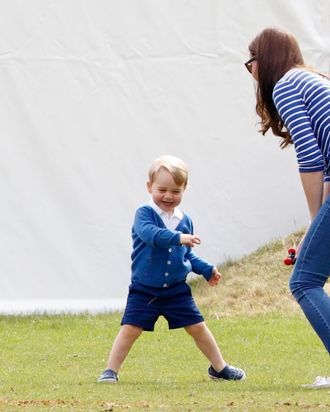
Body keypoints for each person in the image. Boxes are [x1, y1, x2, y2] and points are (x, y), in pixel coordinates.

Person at [97, 155, 246, 383]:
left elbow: (186, 254)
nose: (168, 196)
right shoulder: (144, 214)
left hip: (176, 289)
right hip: (145, 289)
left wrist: (206, 270)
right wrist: (179, 237)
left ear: (184, 190)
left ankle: (219, 367)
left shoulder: (184, 220)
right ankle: (110, 371)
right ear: (149, 187)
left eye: (175, 191)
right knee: (130, 328)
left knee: (198, 327)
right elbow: (153, 236)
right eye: (162, 189)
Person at [245, 27, 330, 387]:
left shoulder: (286, 85)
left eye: (249, 63)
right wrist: (317, 226)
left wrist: (315, 221)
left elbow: (311, 160)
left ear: (262, 60)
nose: (250, 72)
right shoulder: (311, 79)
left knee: (304, 281)